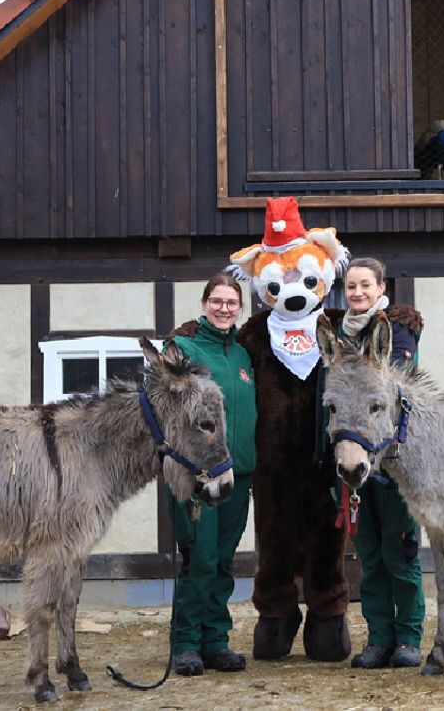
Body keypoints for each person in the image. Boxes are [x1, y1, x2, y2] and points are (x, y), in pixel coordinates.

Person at [165, 273, 257, 675]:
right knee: (197, 558)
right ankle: (185, 643)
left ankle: (215, 640)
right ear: (204, 304)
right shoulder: (183, 349)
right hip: (196, 476)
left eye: (232, 303)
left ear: (240, 309)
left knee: (222, 560)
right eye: (217, 301)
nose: (224, 308)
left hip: (239, 474)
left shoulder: (241, 356)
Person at [338, 257, 425, 669]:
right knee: (370, 557)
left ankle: (408, 637)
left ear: (380, 287)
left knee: (401, 554)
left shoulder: (397, 332)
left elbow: (391, 390)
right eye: (351, 286)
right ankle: (378, 638)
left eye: (365, 286)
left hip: (393, 464)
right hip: (354, 465)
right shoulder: (338, 337)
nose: (357, 293)